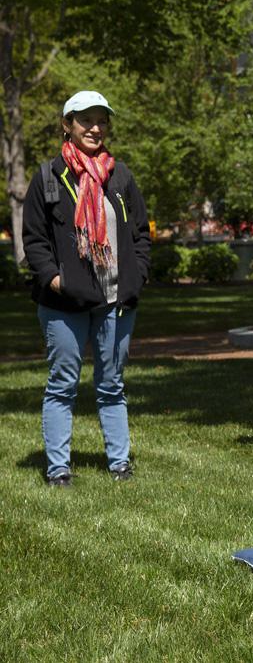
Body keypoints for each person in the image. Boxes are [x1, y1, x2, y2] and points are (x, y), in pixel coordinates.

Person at [22, 90, 151, 486]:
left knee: (112, 385)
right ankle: (59, 468)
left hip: (116, 299)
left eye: (101, 120)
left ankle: (120, 463)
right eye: (85, 120)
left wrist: (136, 277)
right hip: (65, 303)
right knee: (62, 385)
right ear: (67, 125)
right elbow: (35, 240)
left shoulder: (120, 175)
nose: (95, 128)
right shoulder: (48, 176)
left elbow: (141, 234)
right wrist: (59, 280)